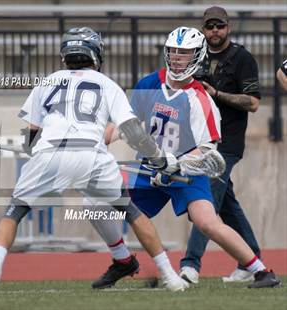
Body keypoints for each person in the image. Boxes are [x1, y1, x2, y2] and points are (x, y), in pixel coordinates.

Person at [0, 27, 188, 294]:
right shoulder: (108, 84)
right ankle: (170, 276)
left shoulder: (47, 82)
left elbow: (32, 135)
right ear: (95, 54)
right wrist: (159, 158)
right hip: (92, 157)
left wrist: (31, 148)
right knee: (130, 212)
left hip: (50, 155)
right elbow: (133, 130)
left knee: (14, 212)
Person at [88, 26, 280, 290]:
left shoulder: (201, 99)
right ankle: (122, 261)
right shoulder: (149, 84)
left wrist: (175, 163)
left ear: (198, 56)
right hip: (148, 169)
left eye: (185, 53)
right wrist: (98, 140)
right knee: (99, 202)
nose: (178, 58)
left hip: (186, 173)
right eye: (174, 52)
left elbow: (207, 150)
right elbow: (124, 124)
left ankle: (261, 272)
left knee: (208, 222)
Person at [179, 6, 268, 284]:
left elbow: (252, 103)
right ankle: (251, 259)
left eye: (219, 26)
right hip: (199, 140)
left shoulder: (242, 58)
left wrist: (216, 93)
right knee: (226, 204)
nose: (214, 31)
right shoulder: (196, 55)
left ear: (228, 27)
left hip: (226, 142)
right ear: (203, 29)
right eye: (209, 26)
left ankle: (190, 265)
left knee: (204, 201)